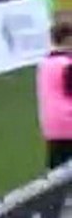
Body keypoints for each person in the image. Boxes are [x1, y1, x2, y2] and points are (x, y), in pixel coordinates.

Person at [36, 21, 72, 169]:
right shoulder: (67, 65)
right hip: (69, 124)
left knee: (57, 175)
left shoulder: (44, 64)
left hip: (51, 127)